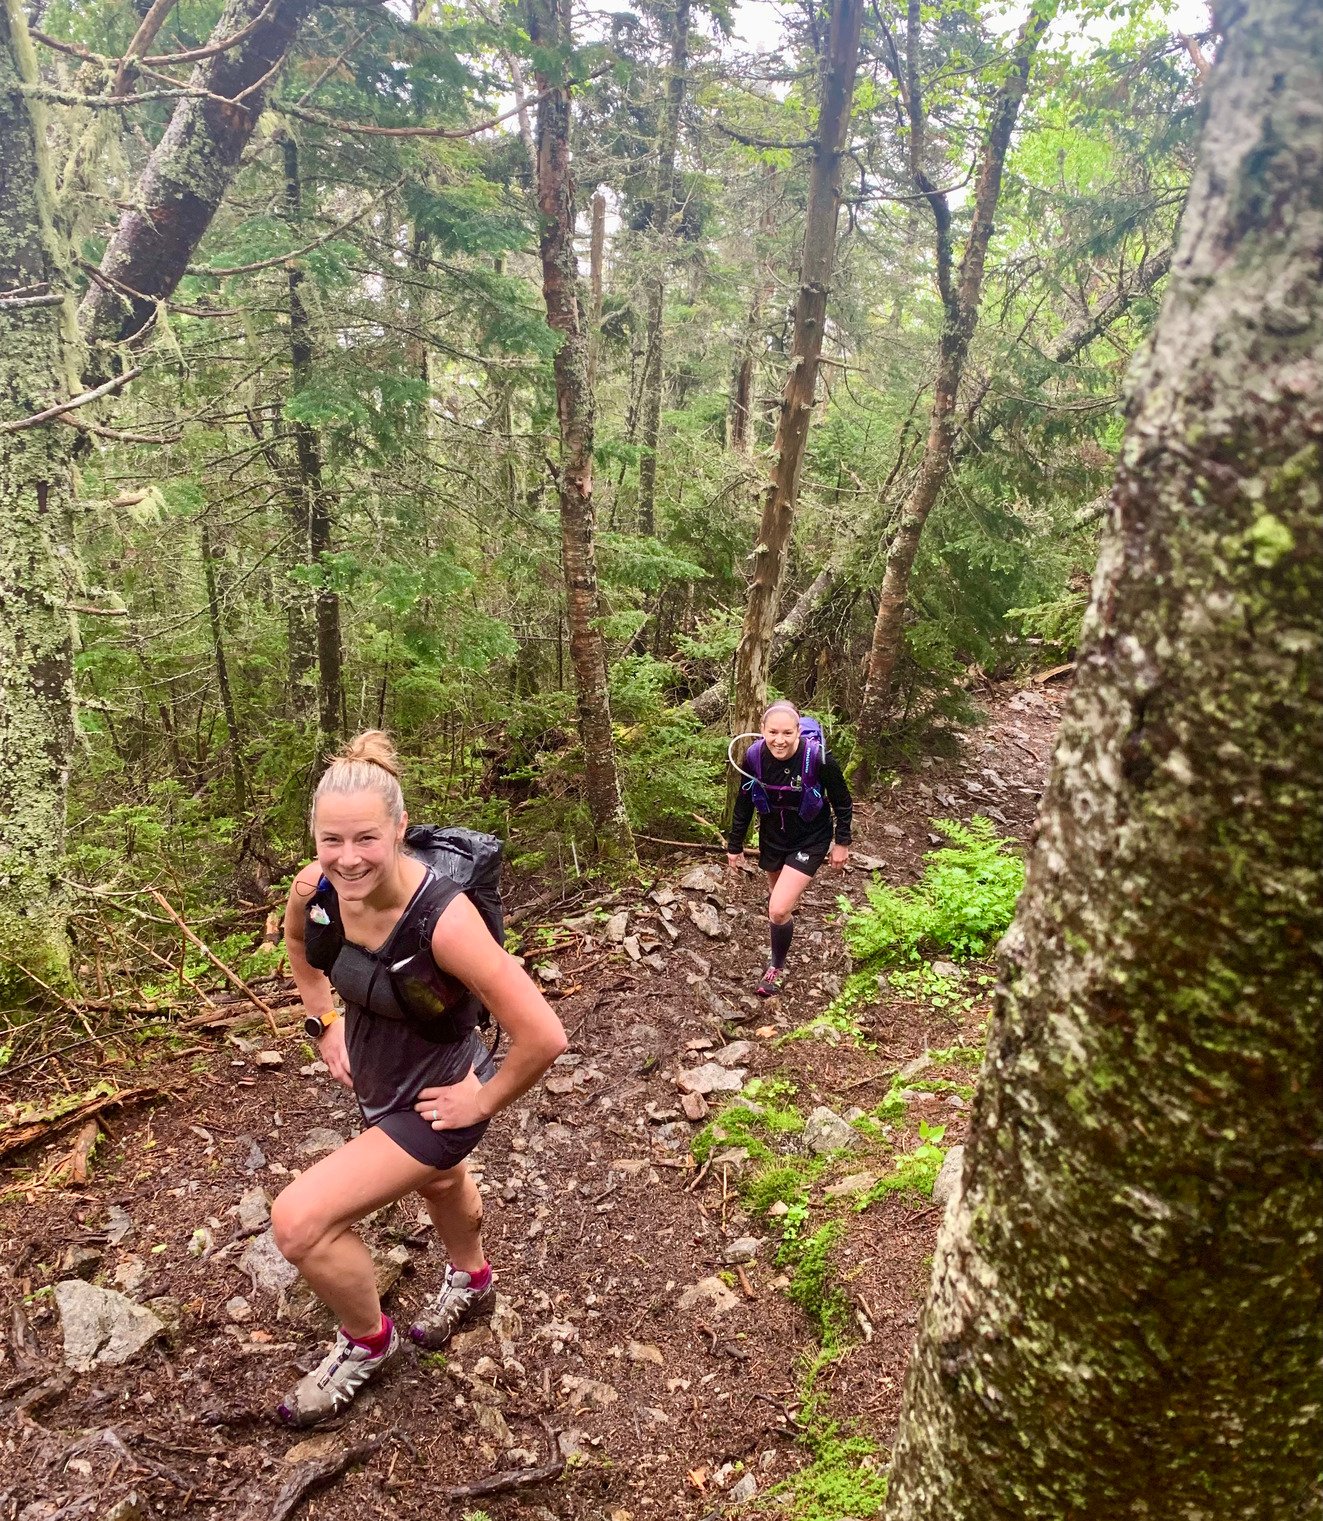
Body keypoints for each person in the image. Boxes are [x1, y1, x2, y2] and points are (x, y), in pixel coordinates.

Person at [270, 731, 566, 1427]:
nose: (347, 858)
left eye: (366, 838)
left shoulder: (445, 920)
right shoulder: (315, 889)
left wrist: (482, 1097)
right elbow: (299, 950)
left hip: (438, 1098)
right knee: (438, 1183)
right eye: (330, 840)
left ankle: (367, 1343)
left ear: (400, 829)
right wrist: (323, 1025)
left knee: (299, 1222)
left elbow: (544, 1033)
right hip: (378, 1075)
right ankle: (473, 1279)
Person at [726, 701, 852, 996]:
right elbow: (743, 803)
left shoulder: (819, 758)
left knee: (778, 908)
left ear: (798, 731)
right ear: (762, 731)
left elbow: (843, 802)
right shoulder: (754, 757)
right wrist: (735, 844)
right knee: (778, 909)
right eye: (772, 732)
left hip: (811, 837)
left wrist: (841, 843)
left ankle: (776, 967)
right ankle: (780, 947)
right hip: (773, 837)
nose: (779, 740)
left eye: (787, 733)